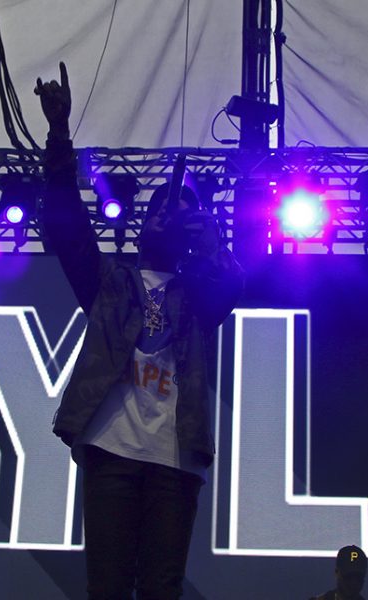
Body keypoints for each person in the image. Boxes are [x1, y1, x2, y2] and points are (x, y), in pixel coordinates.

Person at [35, 62, 244, 600]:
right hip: (111, 450)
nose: (162, 216)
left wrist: (211, 239)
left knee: (160, 590)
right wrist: (59, 136)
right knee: (107, 588)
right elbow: (67, 226)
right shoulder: (112, 282)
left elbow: (229, 288)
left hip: (176, 460)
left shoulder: (198, 296)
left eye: (176, 214)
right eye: (156, 209)